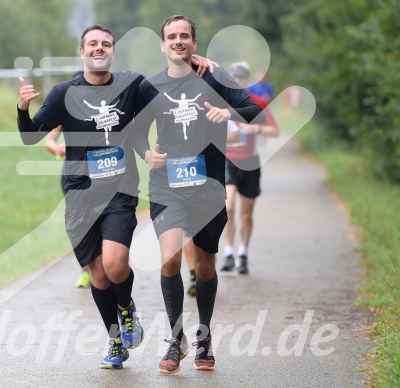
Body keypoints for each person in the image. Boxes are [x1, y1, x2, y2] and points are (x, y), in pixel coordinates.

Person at [17, 24, 214, 370]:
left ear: (112, 51)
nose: (99, 48)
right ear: (82, 52)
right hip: (79, 196)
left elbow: (169, 82)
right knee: (97, 275)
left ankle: (126, 307)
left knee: (115, 264)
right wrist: (21, 109)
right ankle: (115, 340)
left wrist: (191, 59)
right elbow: (31, 137)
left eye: (105, 44)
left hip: (120, 193)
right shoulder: (63, 93)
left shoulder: (132, 85)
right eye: (92, 43)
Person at [134, 15, 265, 374]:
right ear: (162, 45)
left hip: (208, 187)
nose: (177, 41)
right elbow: (133, 131)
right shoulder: (150, 86)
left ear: (194, 42)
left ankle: (204, 337)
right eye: (171, 37)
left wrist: (230, 111)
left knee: (205, 265)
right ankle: (176, 339)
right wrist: (146, 154)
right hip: (166, 187)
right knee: (170, 260)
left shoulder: (215, 77)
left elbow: (257, 110)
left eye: (184, 36)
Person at [220, 62, 279, 275]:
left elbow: (275, 131)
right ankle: (228, 253)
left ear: (248, 80)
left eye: (242, 78)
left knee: (246, 213)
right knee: (228, 208)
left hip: (251, 162)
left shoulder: (258, 102)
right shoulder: (222, 102)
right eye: (234, 78)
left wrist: (256, 128)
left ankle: (242, 253)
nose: (238, 82)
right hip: (228, 160)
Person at [44, 125, 91, 288]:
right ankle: (86, 270)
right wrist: (57, 148)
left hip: (103, 170)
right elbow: (49, 140)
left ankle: (108, 264)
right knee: (79, 223)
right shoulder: (68, 104)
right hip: (73, 174)